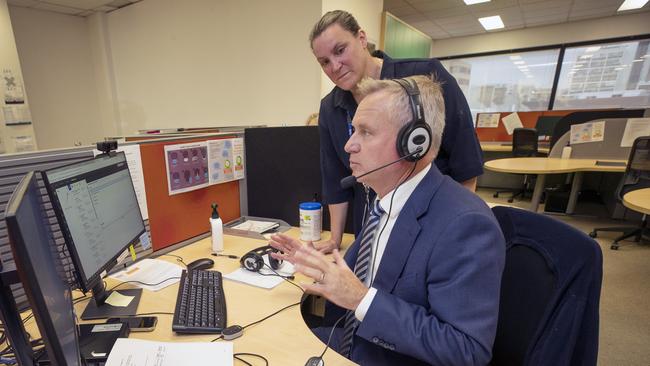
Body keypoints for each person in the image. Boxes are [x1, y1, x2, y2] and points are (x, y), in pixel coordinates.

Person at [269, 75, 504, 365]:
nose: (348, 146)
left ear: (414, 143)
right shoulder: (385, 199)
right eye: (353, 131)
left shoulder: (465, 224)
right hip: (351, 342)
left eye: (365, 132)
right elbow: (365, 277)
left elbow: (465, 351)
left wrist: (360, 299)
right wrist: (320, 269)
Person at [310, 10, 484, 253]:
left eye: (340, 50)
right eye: (325, 62)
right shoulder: (330, 108)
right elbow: (335, 180)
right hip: (371, 229)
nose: (335, 66)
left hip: (430, 221)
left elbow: (465, 162)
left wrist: (462, 230)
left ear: (361, 39)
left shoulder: (425, 78)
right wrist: (335, 240)